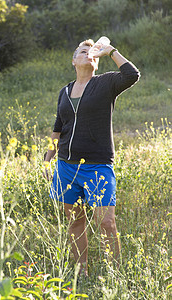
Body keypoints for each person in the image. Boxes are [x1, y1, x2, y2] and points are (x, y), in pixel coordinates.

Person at [43, 38, 140, 276]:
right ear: (74, 60)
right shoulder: (64, 91)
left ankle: (115, 274)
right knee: (75, 221)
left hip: (98, 166)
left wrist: (111, 52)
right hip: (66, 167)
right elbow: (58, 128)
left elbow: (132, 74)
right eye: (83, 51)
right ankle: (82, 272)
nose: (88, 54)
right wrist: (47, 160)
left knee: (106, 222)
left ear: (96, 61)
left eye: (92, 52)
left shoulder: (105, 83)